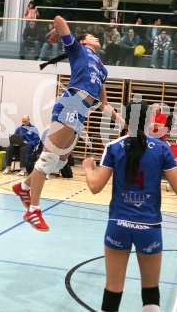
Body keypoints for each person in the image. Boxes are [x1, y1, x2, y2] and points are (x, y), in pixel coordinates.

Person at [12, 15, 125, 231]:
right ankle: (33, 210)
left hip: (81, 112)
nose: (96, 38)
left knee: (61, 161)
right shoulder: (77, 50)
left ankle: (24, 186)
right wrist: (56, 33)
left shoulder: (102, 69)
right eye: (92, 36)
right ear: (83, 42)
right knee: (48, 157)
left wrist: (123, 122)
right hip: (71, 103)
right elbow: (59, 19)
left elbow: (104, 103)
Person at [82, 100, 177, 312]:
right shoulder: (162, 148)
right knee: (150, 292)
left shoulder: (113, 147)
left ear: (126, 119)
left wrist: (87, 168)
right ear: (149, 120)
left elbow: (95, 187)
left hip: (118, 225)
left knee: (112, 290)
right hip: (149, 227)